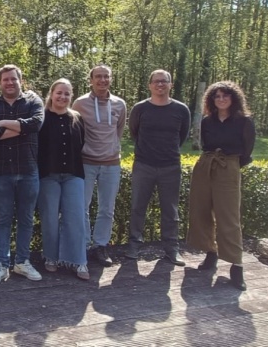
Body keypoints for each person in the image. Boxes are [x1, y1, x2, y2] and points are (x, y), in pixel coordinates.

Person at [186, 81, 255, 291]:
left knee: (229, 217)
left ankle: (236, 266)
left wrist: (230, 167)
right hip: (205, 166)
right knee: (201, 211)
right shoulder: (207, 121)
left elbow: (247, 151)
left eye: (225, 95)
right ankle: (211, 253)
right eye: (217, 96)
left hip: (229, 166)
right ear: (211, 99)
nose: (221, 99)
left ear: (234, 98)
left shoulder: (244, 121)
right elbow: (205, 144)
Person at [0, 65, 44, 285]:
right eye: (5, 79)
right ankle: (2, 264)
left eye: (13, 79)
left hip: (28, 170)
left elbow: (36, 124)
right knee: (3, 219)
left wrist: (3, 124)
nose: (9, 83)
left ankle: (22, 262)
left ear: (20, 80)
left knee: (26, 218)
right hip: (1, 173)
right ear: (0, 82)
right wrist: (20, 128)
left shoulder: (33, 101)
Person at [126, 69, 190, 266]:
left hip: (170, 167)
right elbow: (134, 133)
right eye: (156, 81)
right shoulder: (140, 108)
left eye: (164, 81)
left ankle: (172, 249)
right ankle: (134, 246)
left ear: (171, 85)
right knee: (137, 207)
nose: (160, 84)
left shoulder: (181, 110)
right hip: (143, 165)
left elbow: (182, 136)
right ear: (150, 85)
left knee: (170, 210)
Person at [72, 65, 127, 267]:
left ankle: (100, 246)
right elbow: (75, 129)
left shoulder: (120, 104)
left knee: (107, 209)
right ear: (91, 80)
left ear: (110, 79)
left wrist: (111, 149)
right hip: (86, 162)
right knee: (82, 206)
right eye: (98, 76)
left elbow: (119, 130)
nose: (102, 80)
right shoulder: (79, 103)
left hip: (111, 164)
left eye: (106, 76)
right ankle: (85, 245)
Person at [37, 79, 89, 281]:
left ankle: (78, 261)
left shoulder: (77, 118)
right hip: (48, 176)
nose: (62, 97)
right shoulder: (41, 118)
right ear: (51, 94)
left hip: (73, 175)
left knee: (76, 219)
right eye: (59, 92)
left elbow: (81, 143)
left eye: (67, 93)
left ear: (71, 96)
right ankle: (51, 257)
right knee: (50, 219)